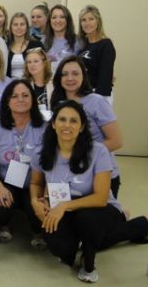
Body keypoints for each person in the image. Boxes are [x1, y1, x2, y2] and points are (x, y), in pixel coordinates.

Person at [29, 100, 148, 283]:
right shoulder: (42, 152)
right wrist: (35, 201)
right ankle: (138, 226)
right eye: (62, 119)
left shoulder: (98, 151)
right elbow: (36, 183)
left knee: (86, 221)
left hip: (98, 208)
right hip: (65, 209)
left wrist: (64, 206)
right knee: (62, 250)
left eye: (73, 121)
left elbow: (101, 198)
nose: (67, 125)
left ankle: (89, 263)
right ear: (53, 124)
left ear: (81, 127)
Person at [0, 79, 45, 246]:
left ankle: (38, 232)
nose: (20, 99)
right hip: (7, 180)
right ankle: (4, 225)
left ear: (33, 99)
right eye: (14, 96)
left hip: (35, 182)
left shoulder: (44, 127)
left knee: (35, 207)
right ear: (7, 101)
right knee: (2, 201)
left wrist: (45, 192)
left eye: (25, 95)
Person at [50, 56, 123, 197]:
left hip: (99, 173)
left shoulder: (97, 102)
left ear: (84, 76)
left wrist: (81, 154)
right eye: (64, 74)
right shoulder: (58, 103)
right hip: (69, 174)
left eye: (75, 73)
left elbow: (116, 141)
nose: (70, 78)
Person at [78, 5, 116, 97]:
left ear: (98, 21)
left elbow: (105, 77)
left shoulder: (106, 45)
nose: (87, 23)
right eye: (83, 20)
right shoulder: (82, 43)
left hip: (98, 94)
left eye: (91, 19)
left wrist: (97, 99)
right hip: (82, 93)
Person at [6, 12, 43, 78]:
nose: (19, 27)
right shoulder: (5, 46)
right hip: (9, 86)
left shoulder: (36, 45)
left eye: (22, 24)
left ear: (27, 27)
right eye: (15, 24)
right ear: (11, 27)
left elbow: (44, 67)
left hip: (31, 85)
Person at [44, 4, 80, 71]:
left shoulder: (78, 42)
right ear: (49, 21)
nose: (58, 20)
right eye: (54, 17)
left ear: (68, 20)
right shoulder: (43, 41)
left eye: (62, 17)